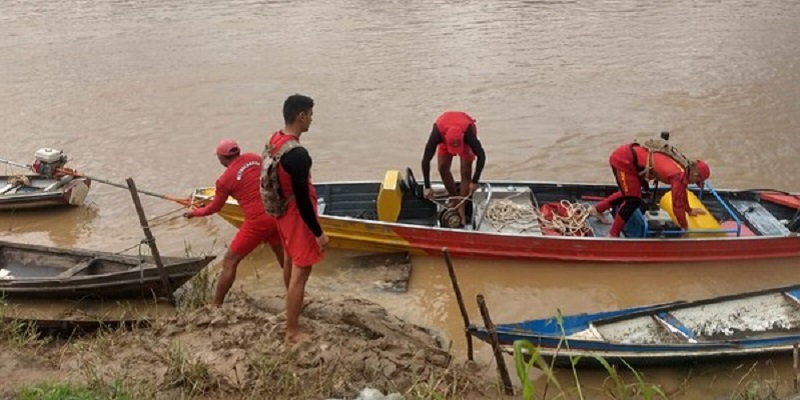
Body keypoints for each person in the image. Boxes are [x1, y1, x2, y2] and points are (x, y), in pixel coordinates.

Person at [184, 139, 283, 305]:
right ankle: (300, 293)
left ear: (222, 158)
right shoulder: (254, 158)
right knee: (283, 258)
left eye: (218, 158)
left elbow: (214, 208)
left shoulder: (224, 180)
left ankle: (216, 305)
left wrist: (194, 212)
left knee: (230, 260)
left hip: (257, 222)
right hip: (276, 214)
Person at [265, 94, 329, 343]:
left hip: (280, 212)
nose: (312, 119)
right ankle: (292, 331)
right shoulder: (299, 155)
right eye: (310, 115)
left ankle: (291, 305)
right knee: (301, 273)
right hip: (296, 216)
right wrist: (318, 233)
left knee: (290, 261)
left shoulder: (276, 139)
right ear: (301, 116)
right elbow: (303, 201)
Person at [593, 141, 711, 237]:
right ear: (695, 175)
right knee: (633, 200)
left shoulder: (685, 167)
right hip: (624, 161)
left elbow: (681, 193)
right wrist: (684, 229)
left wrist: (689, 210)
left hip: (632, 158)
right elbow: (677, 206)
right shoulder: (678, 176)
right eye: (696, 182)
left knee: (632, 192)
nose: (694, 183)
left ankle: (598, 209)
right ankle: (613, 235)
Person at [420, 111, 487, 224]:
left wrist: (475, 181)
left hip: (464, 129)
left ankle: (462, 208)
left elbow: (482, 156)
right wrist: (427, 186)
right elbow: (426, 160)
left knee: (466, 172)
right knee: (442, 167)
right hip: (445, 131)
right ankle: (454, 198)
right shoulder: (437, 135)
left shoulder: (468, 135)